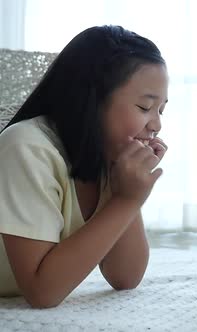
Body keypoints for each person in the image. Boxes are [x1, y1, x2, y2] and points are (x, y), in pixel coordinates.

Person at [0, 25, 168, 308]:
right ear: (93, 100)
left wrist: (126, 193)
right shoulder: (27, 147)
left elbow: (126, 277)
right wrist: (128, 200)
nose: (157, 125)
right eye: (144, 107)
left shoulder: (107, 154)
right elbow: (42, 292)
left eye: (161, 110)